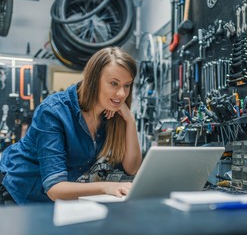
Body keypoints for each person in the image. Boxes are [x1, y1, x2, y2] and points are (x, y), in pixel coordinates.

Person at [0, 47, 142, 205]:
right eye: (114, 83)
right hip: (17, 193)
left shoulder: (111, 114)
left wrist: (130, 121)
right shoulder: (53, 111)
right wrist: (107, 187)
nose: (122, 93)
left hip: (50, 201)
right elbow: (55, 188)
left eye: (127, 85)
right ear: (94, 81)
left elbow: (132, 168)